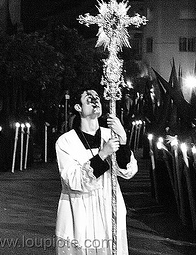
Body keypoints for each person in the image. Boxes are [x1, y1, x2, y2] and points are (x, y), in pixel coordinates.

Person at [55, 88, 138, 255]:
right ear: (78, 107)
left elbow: (128, 171)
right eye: (89, 98)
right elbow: (73, 180)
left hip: (109, 214)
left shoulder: (110, 135)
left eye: (97, 98)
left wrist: (122, 140)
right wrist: (103, 154)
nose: (95, 101)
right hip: (79, 215)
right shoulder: (65, 142)